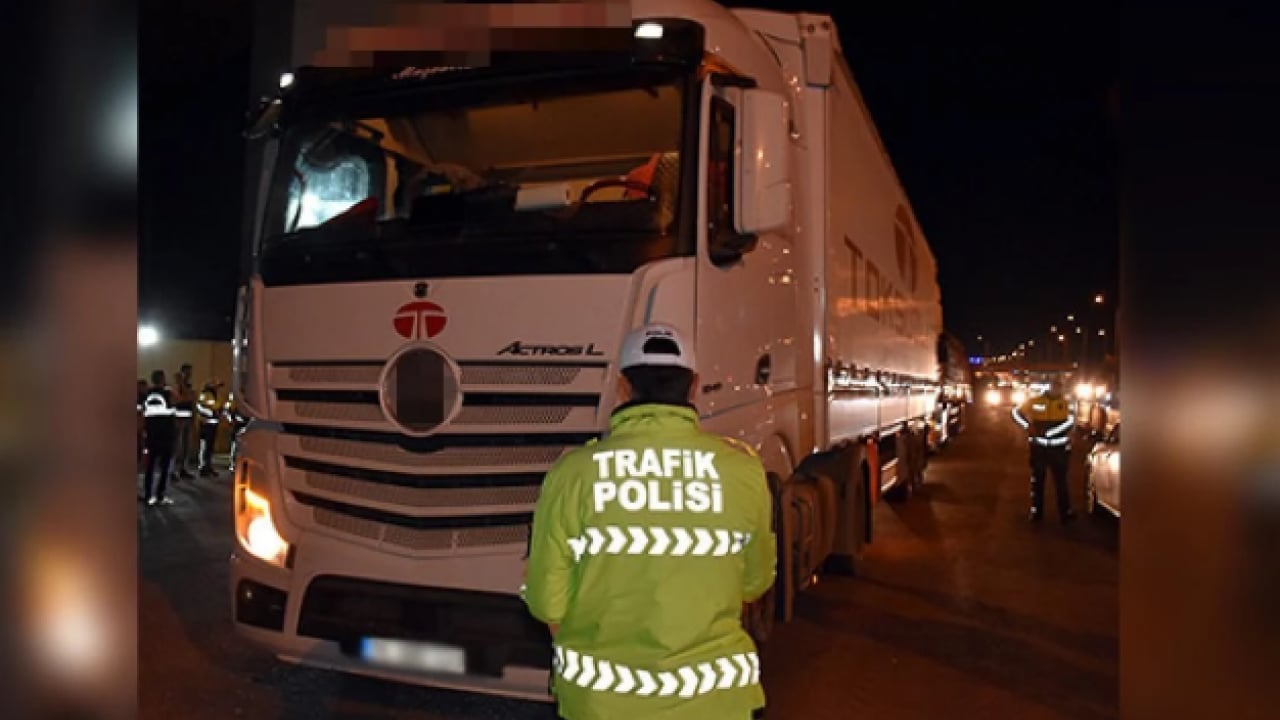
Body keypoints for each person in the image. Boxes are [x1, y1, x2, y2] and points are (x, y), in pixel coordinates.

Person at [523, 323, 776, 720]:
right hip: (717, 704)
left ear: (623, 387)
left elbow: (546, 602)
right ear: (694, 387)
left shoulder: (574, 474)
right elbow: (756, 582)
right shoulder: (741, 470)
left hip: (602, 707)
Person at [1012, 378, 1077, 523]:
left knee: (1061, 482)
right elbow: (1016, 412)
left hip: (1059, 449)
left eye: (1059, 387)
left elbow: (1070, 422)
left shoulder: (1067, 403)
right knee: (1038, 482)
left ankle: (1065, 513)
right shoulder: (1035, 401)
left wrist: (1049, 433)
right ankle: (1037, 512)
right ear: (1050, 387)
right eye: (1055, 387)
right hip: (1039, 449)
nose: (1057, 390)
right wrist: (1027, 425)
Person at [141, 370, 178, 506]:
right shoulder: (168, 393)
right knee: (164, 468)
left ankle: (148, 495)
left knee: (150, 467)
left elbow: (143, 414)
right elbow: (175, 406)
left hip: (151, 435)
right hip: (165, 436)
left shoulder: (147, 395)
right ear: (163, 379)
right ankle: (160, 495)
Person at [170, 363, 196, 479]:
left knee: (186, 446)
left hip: (187, 419)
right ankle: (172, 471)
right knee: (176, 446)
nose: (189, 374)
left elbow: (191, 398)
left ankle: (183, 469)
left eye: (190, 372)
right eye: (187, 372)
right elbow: (180, 399)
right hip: (178, 420)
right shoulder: (177, 386)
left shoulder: (188, 385)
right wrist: (181, 384)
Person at [196, 379, 223, 477]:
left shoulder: (216, 395)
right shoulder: (205, 394)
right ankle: (203, 467)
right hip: (205, 423)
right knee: (204, 446)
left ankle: (209, 466)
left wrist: (220, 412)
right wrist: (210, 413)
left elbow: (218, 406)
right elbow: (199, 406)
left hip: (214, 423)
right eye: (216, 385)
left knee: (210, 447)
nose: (217, 387)